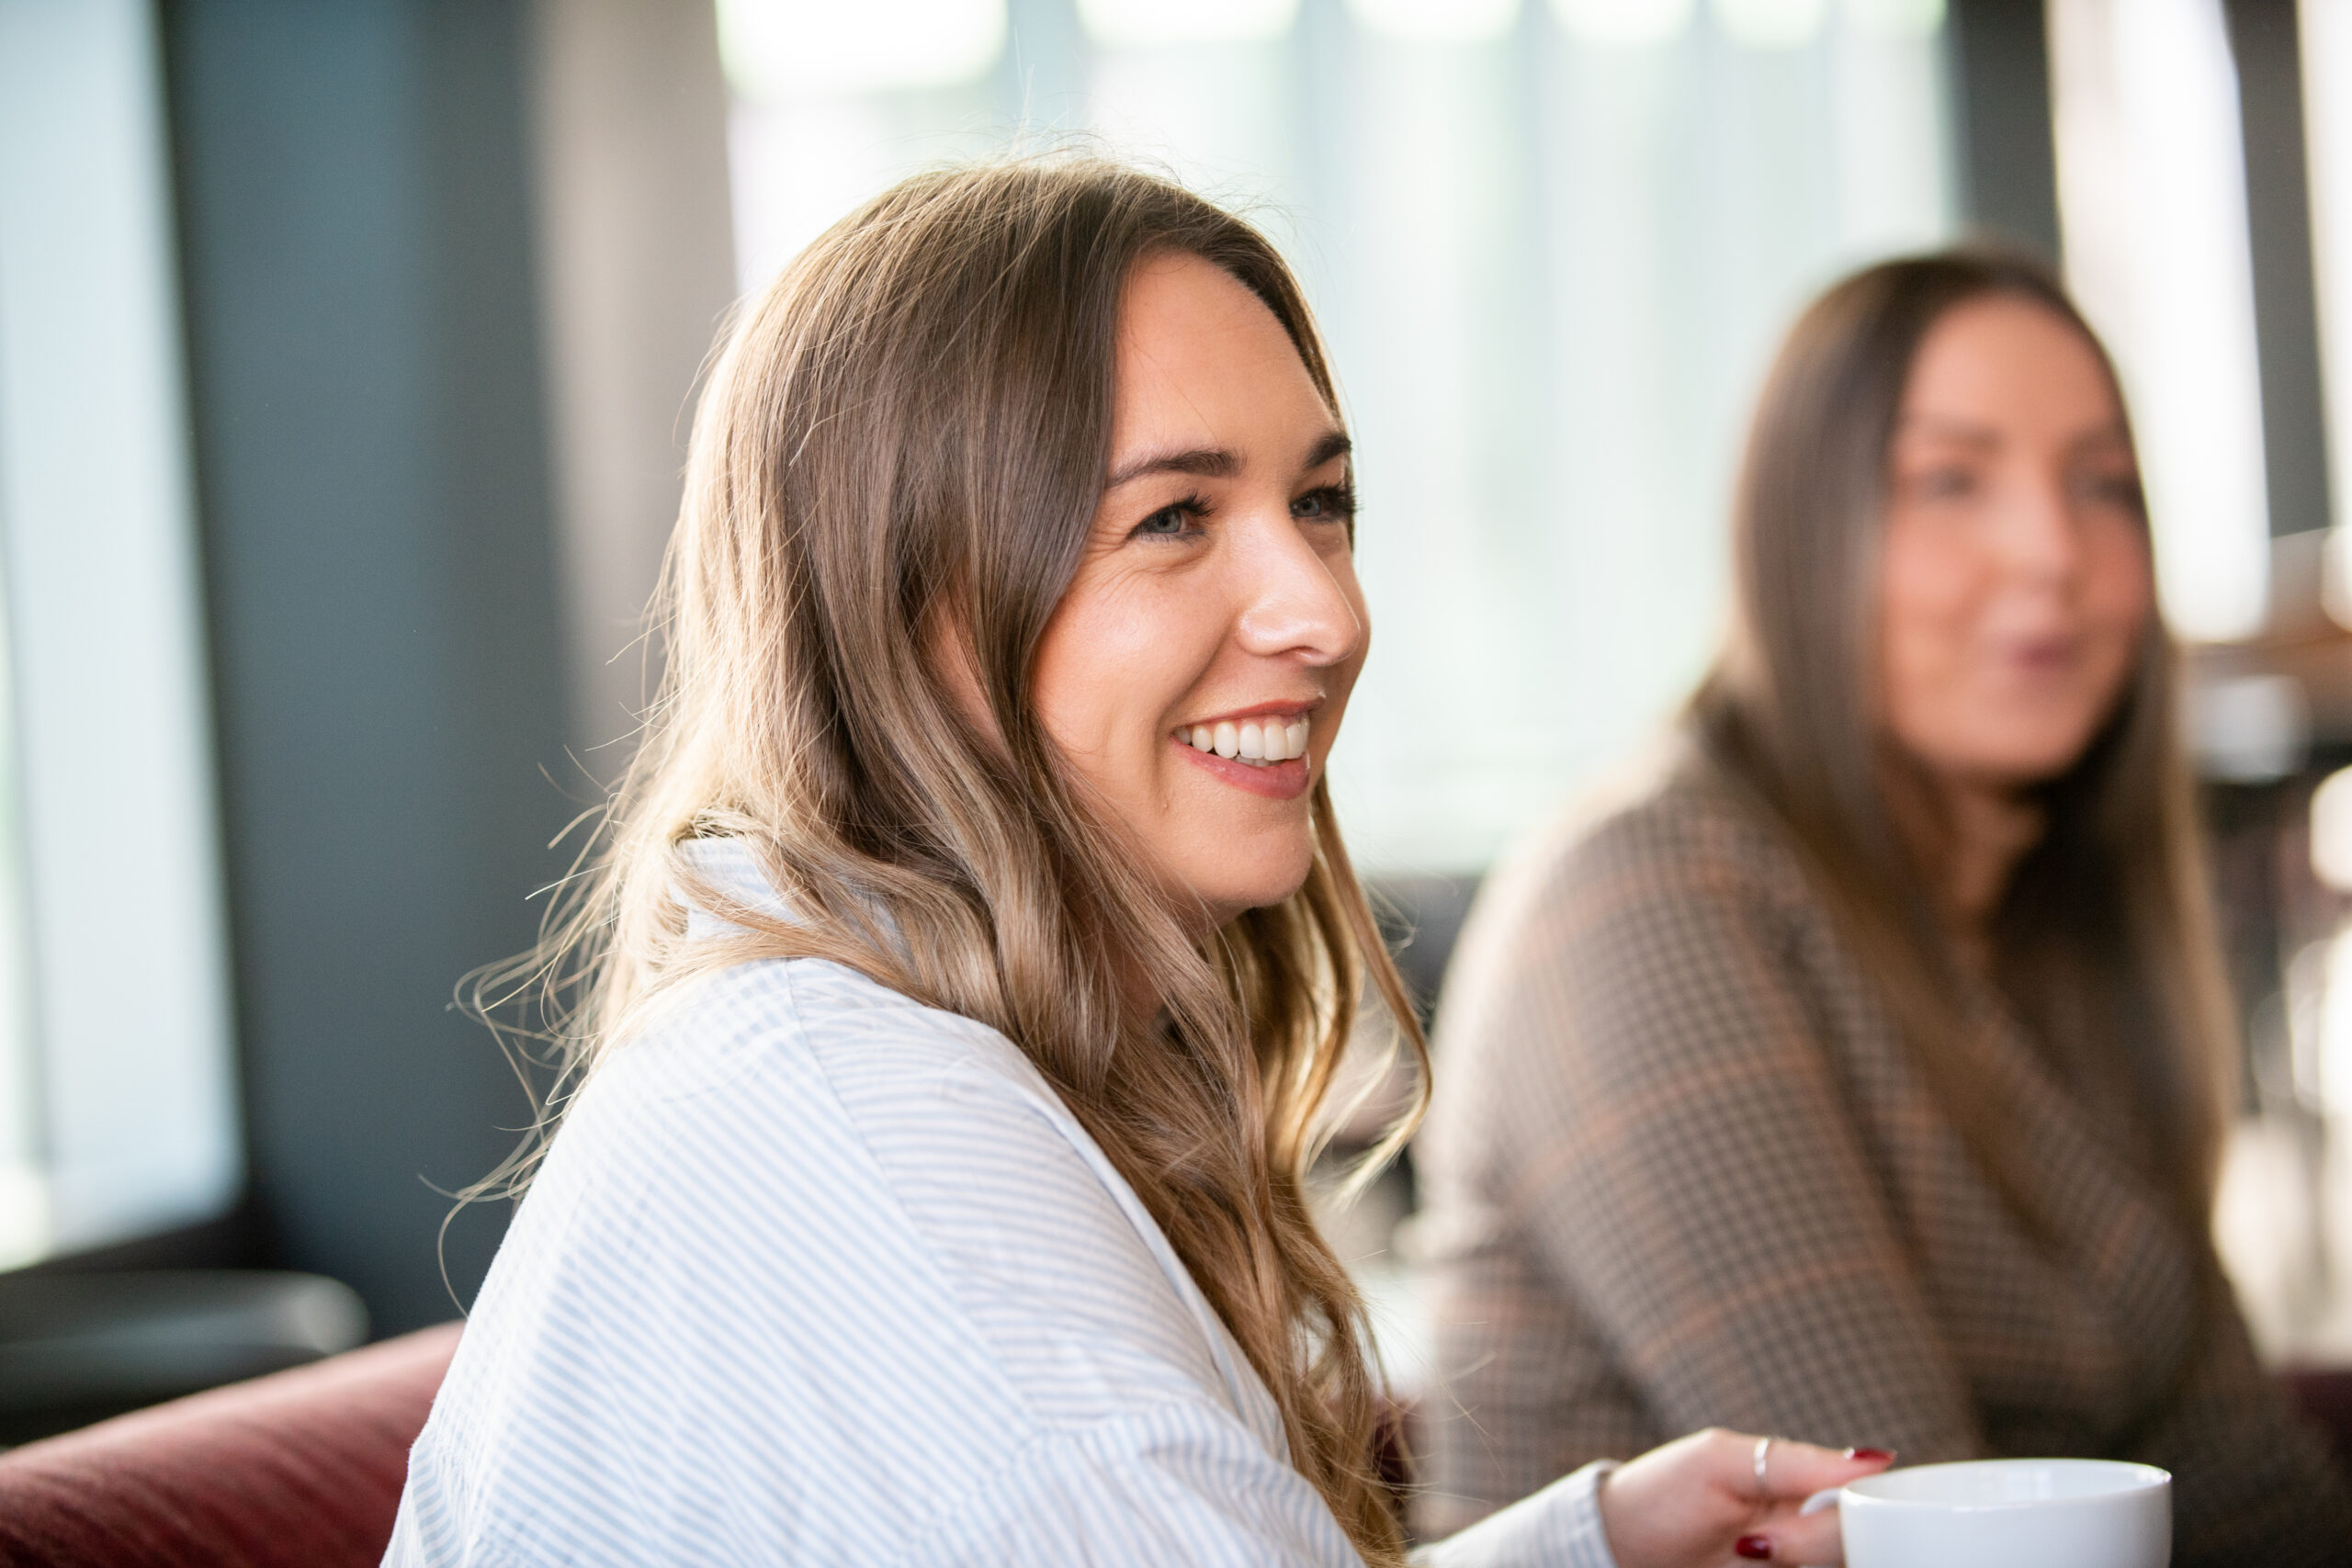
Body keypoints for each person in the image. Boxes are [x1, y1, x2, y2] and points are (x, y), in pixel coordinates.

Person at [381, 159, 1887, 1568]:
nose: (1327, 614)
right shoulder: (899, 1172)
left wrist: (1588, 1551)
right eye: (1173, 518)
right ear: (900, 609)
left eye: (1319, 503)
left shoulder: (874, 1043)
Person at [1411, 250, 2352, 1566]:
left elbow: (2256, 1500)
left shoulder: (2052, 932)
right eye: (1951, 481)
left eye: (2102, 485)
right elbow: (1916, 1536)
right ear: (1803, 538)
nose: (2053, 553)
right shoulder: (1647, 896)